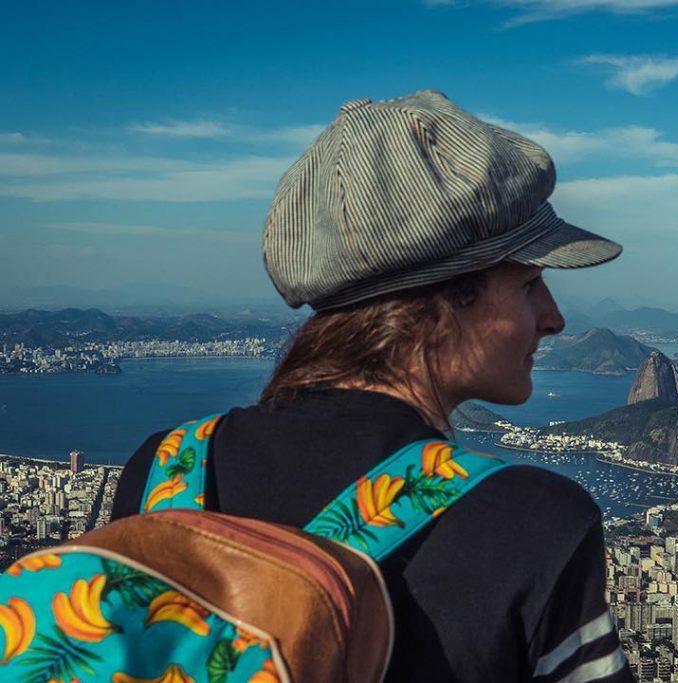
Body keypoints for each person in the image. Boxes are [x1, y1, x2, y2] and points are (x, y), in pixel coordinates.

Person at [111, 90, 635, 683]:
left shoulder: (161, 473)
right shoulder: (533, 522)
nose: (554, 317)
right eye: (529, 284)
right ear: (439, 301)